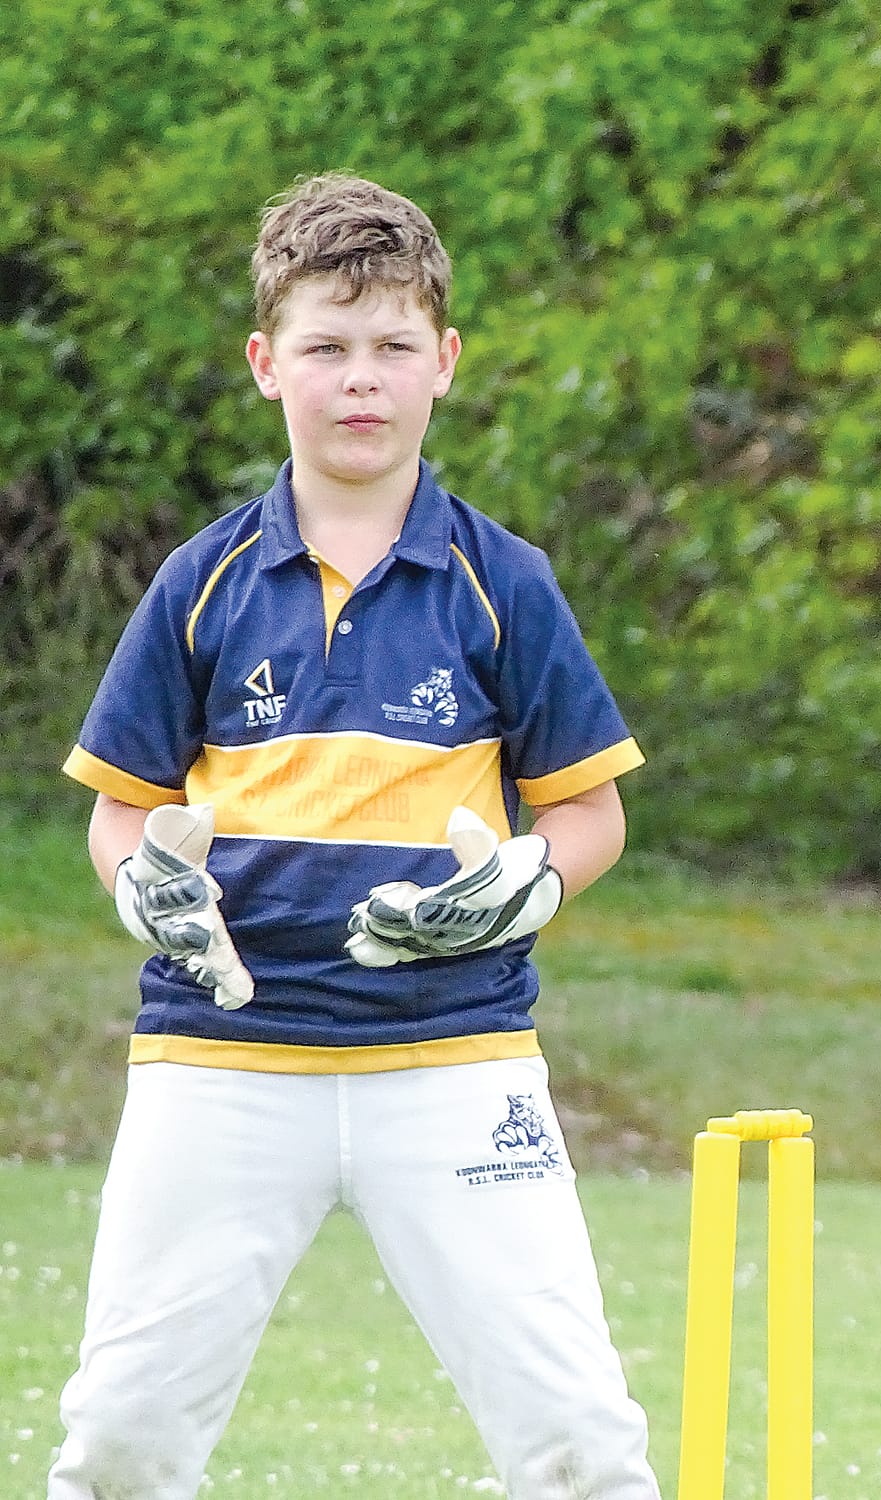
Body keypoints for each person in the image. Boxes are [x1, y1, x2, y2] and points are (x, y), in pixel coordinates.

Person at [51, 173, 659, 1499]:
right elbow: (120, 817)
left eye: (393, 347)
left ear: (445, 361)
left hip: (455, 1060)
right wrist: (147, 893)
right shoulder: (202, 579)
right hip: (220, 1062)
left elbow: (588, 811)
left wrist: (526, 889)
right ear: (268, 364)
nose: (360, 379)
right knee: (119, 1446)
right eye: (327, 347)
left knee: (580, 1447)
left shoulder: (508, 583)